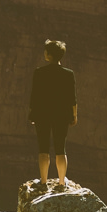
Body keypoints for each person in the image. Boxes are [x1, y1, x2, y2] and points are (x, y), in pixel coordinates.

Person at [30, 39, 78, 189]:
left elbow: (34, 96)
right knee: (60, 148)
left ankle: (43, 182)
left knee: (43, 148)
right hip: (61, 115)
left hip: (42, 114)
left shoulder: (39, 72)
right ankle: (62, 182)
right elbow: (72, 98)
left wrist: (33, 114)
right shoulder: (68, 74)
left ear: (49, 55)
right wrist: (74, 115)